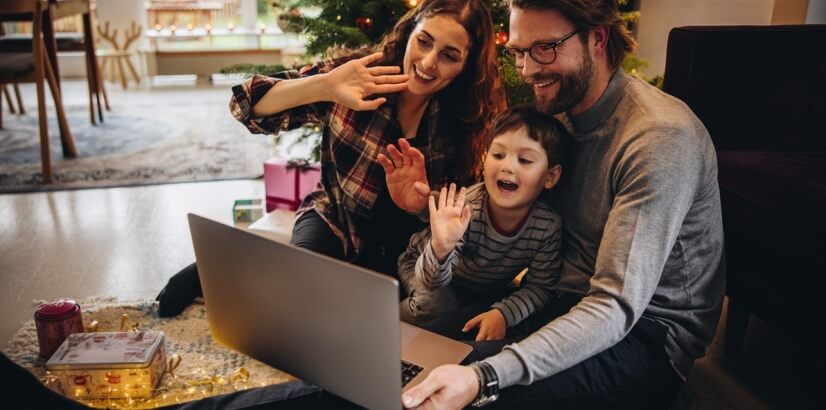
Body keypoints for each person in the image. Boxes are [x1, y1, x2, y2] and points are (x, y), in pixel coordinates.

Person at [402, 1, 726, 409]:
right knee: (409, 355)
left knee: (447, 393)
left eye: (544, 48)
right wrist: (425, 208)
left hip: (646, 334)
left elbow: (615, 305)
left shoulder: (658, 139)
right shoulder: (559, 118)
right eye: (518, 51)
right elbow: (498, 206)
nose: (526, 69)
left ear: (598, 38)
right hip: (560, 299)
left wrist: (485, 376)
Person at [155, 0, 506, 316]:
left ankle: (268, 265)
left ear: (466, 65)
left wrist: (417, 205)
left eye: (449, 55)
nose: (428, 63)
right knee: (301, 293)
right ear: (410, 31)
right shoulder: (358, 75)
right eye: (424, 41)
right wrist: (323, 85)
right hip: (335, 219)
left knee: (361, 321)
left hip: (406, 251)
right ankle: (223, 266)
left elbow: (465, 221)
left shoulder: (469, 122)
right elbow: (245, 104)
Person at [393, 106, 565, 343]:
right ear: (485, 158)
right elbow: (431, 281)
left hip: (480, 283)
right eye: (498, 155)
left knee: (493, 308)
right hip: (424, 264)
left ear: (550, 177)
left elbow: (540, 287)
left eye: (524, 160)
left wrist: (503, 314)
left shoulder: (547, 226)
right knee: (436, 303)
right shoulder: (468, 211)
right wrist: (442, 247)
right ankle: (383, 331)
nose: (507, 166)